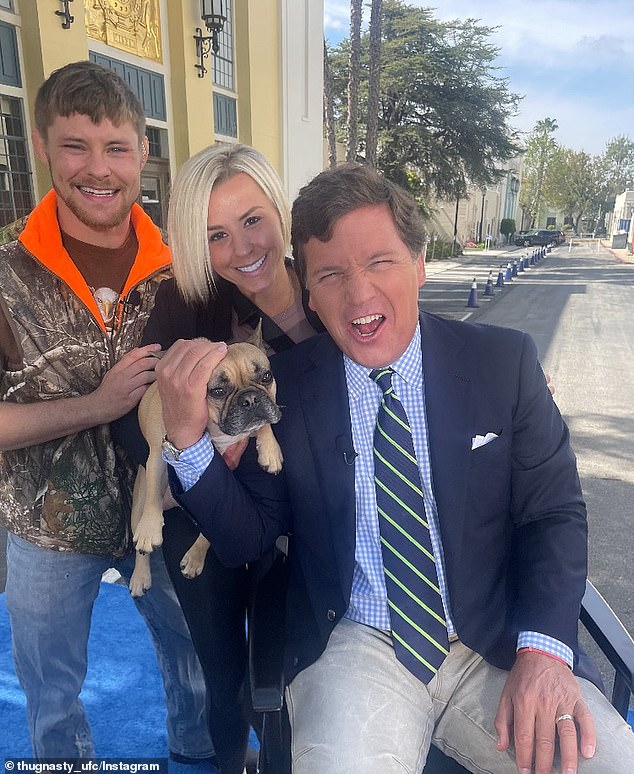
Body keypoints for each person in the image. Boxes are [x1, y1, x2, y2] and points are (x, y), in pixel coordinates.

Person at [155, 162, 634, 774]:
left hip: (496, 643)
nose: (359, 297)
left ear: (419, 263)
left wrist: (543, 651)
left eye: (379, 262)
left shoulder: (502, 365)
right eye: (330, 274)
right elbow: (246, 536)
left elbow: (553, 513)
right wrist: (187, 441)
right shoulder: (292, 390)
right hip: (356, 644)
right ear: (309, 290)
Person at [0, 61, 214, 763]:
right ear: (40, 145)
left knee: (193, 656)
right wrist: (95, 405)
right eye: (75, 146)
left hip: (168, 506)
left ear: (143, 152)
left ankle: (198, 752)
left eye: (116, 147)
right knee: (51, 689)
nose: (99, 169)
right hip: (45, 526)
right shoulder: (5, 275)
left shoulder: (185, 263)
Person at [130, 143, 323, 774]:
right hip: (203, 513)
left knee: (299, 672)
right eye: (215, 234)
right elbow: (134, 424)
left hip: (309, 517)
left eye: (251, 219)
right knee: (224, 678)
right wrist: (184, 469)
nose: (241, 248)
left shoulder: (329, 292)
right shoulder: (185, 305)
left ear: (279, 209)